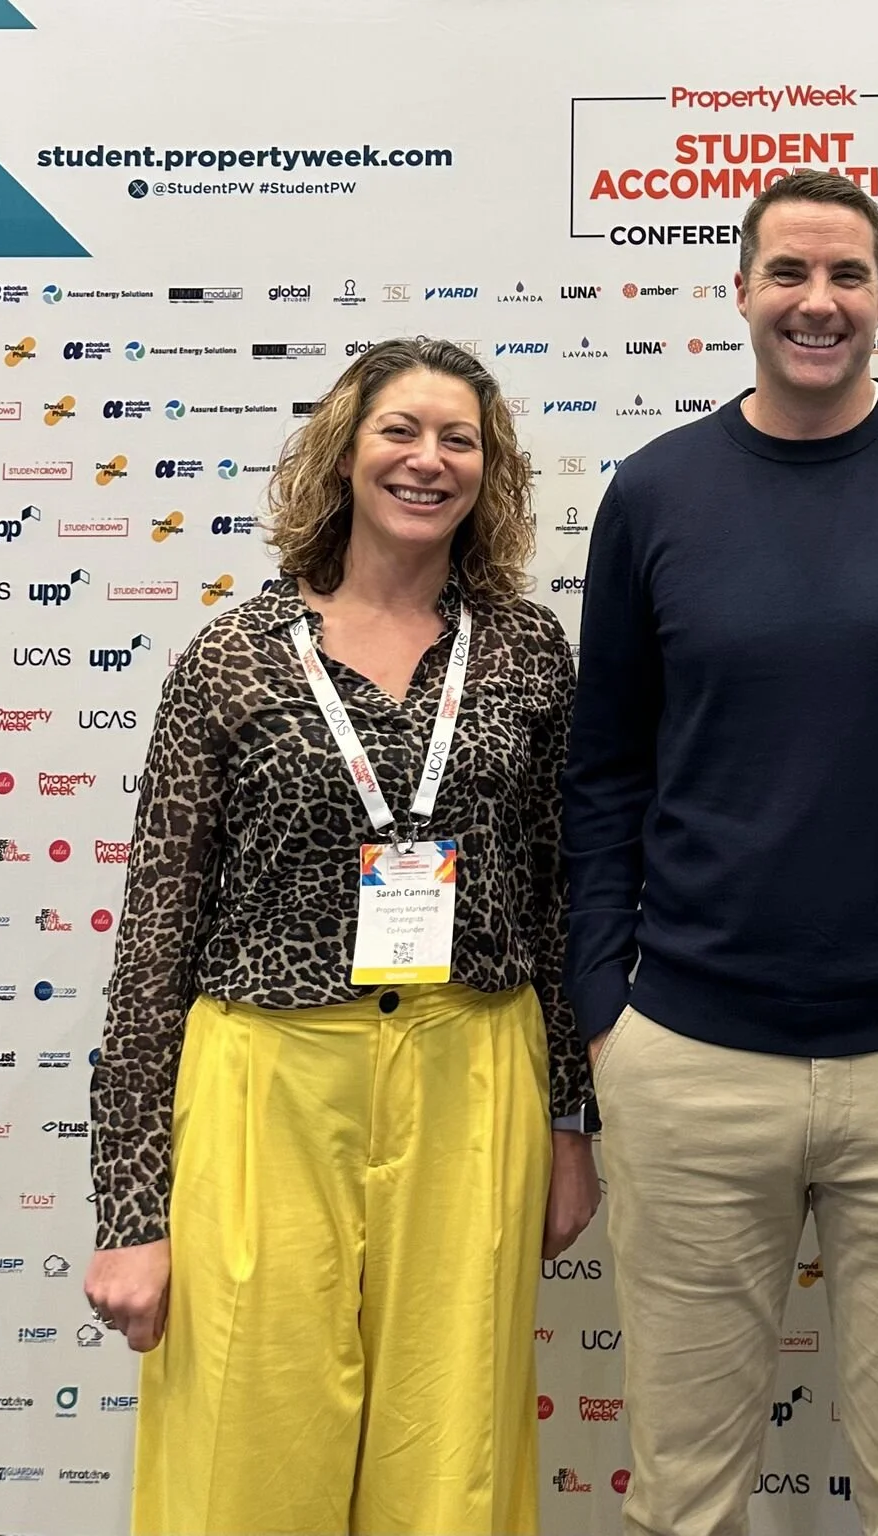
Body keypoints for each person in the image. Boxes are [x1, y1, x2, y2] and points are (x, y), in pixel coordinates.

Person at [563, 169, 878, 1536]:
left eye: (847, 276)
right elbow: (603, 773)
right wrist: (604, 1007)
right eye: (788, 273)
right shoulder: (654, 494)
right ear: (739, 292)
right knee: (684, 1496)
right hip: (689, 1058)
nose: (817, 302)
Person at [82, 337, 598, 1536]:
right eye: (400, 432)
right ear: (343, 452)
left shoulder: (527, 652)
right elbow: (153, 943)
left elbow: (558, 904)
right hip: (269, 1081)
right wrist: (129, 1214)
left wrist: (571, 1127)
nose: (429, 461)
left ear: (491, 469)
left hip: (473, 1076)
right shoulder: (230, 658)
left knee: (450, 1450)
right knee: (249, 1446)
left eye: (457, 439)